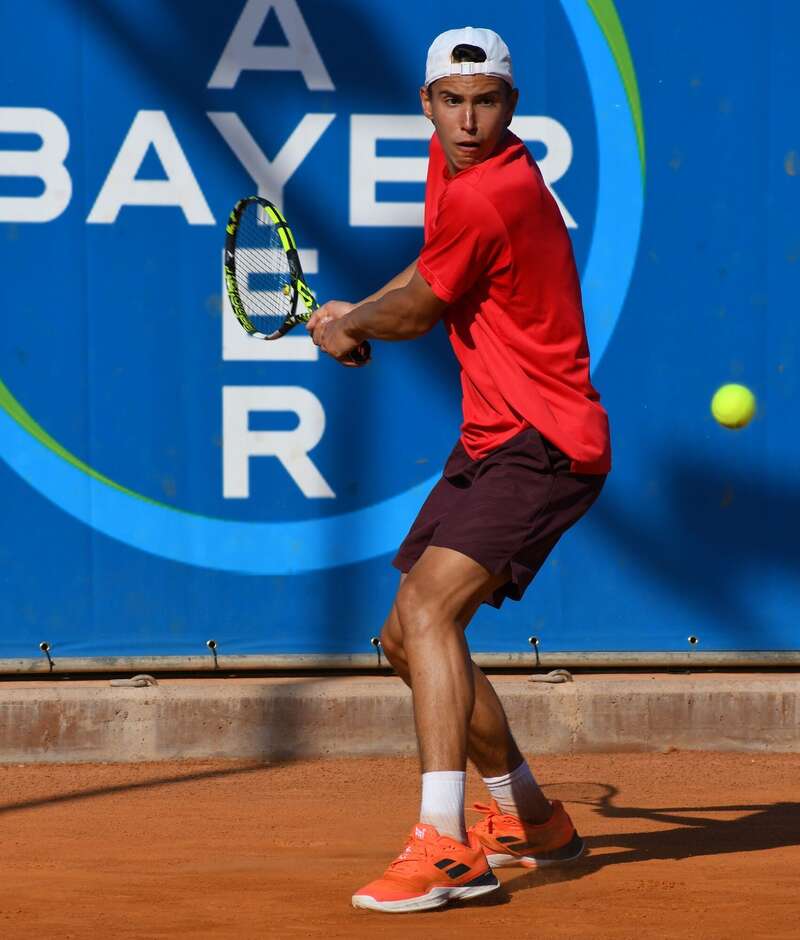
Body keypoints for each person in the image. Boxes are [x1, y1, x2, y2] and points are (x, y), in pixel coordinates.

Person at [307, 26, 611, 914]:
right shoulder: (456, 171)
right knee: (405, 639)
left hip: (545, 446)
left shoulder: (498, 192)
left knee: (431, 608)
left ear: (510, 107)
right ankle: (531, 820)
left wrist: (356, 325)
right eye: (454, 101)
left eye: (487, 103)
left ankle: (445, 847)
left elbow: (424, 306)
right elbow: (429, 271)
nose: (470, 120)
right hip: (489, 440)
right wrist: (358, 314)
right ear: (429, 104)